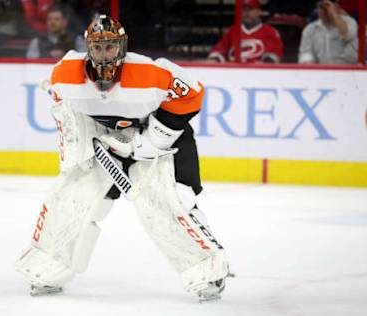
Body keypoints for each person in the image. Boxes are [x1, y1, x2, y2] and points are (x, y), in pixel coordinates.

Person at [15, 15, 232, 302]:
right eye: (98, 48)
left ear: (122, 47)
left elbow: (192, 95)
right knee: (71, 196)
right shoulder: (66, 74)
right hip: (106, 141)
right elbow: (65, 110)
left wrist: (152, 140)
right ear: (88, 49)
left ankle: (208, 271)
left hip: (158, 140)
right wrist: (79, 150)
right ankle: (49, 267)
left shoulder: (149, 73)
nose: (104, 54)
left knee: (167, 201)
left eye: (110, 47)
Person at [207, 0, 284, 63]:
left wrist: (264, 63)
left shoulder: (270, 31)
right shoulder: (232, 31)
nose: (247, 13)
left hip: (258, 74)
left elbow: (274, 54)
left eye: (250, 9)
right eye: (244, 9)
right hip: (233, 73)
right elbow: (220, 49)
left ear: (258, 11)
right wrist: (215, 58)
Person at [298, 0, 358, 64]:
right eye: (321, 7)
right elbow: (305, 53)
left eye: (328, 7)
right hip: (322, 71)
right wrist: (310, 64)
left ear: (336, 6)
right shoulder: (310, 29)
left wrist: (334, 14)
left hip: (349, 70)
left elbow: (347, 35)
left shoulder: (350, 22)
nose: (325, 11)